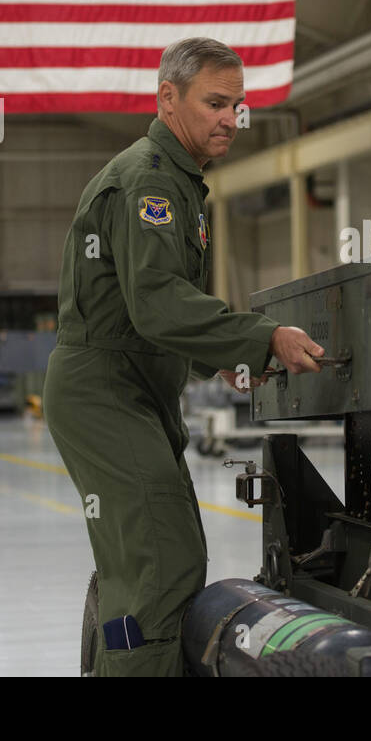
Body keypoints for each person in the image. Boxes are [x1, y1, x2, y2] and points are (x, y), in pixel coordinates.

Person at [43, 37, 323, 676]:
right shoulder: (149, 180)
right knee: (160, 565)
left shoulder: (179, 182)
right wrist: (261, 337)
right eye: (216, 103)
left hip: (134, 385)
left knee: (153, 558)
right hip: (106, 389)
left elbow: (148, 307)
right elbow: (159, 305)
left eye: (239, 105)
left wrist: (215, 359)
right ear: (168, 98)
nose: (232, 118)